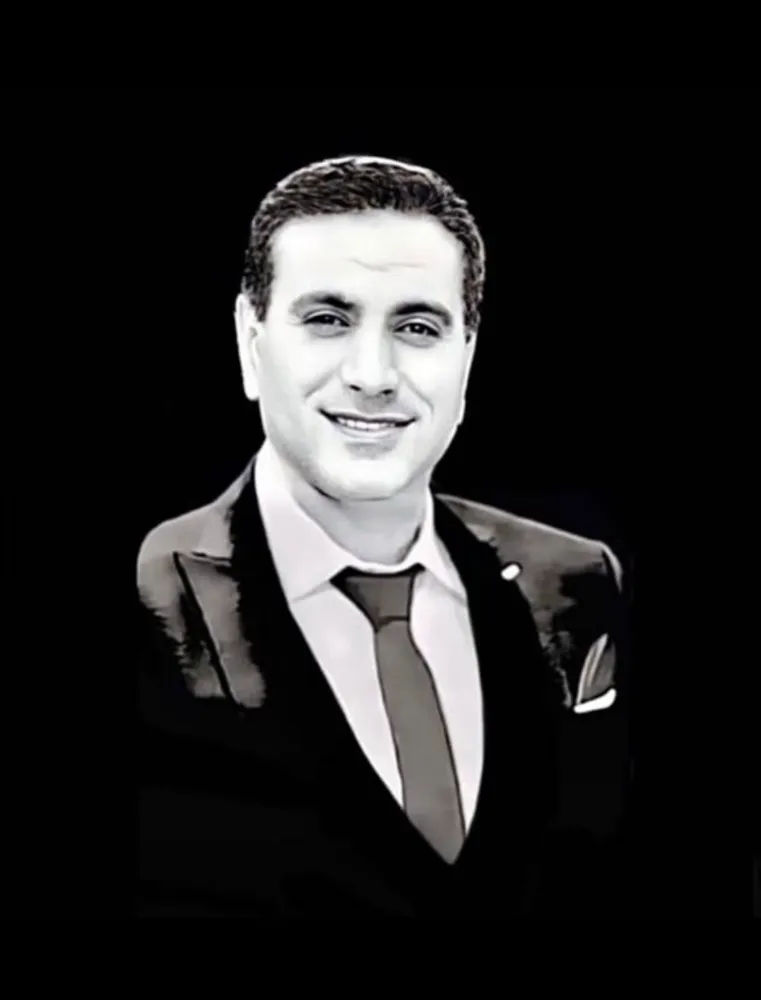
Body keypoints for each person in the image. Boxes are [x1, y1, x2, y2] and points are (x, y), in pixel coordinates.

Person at [137, 155, 631, 918]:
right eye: (327, 320)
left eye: (416, 327)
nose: (372, 374)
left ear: (466, 356)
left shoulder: (577, 582)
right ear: (248, 340)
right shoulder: (145, 603)